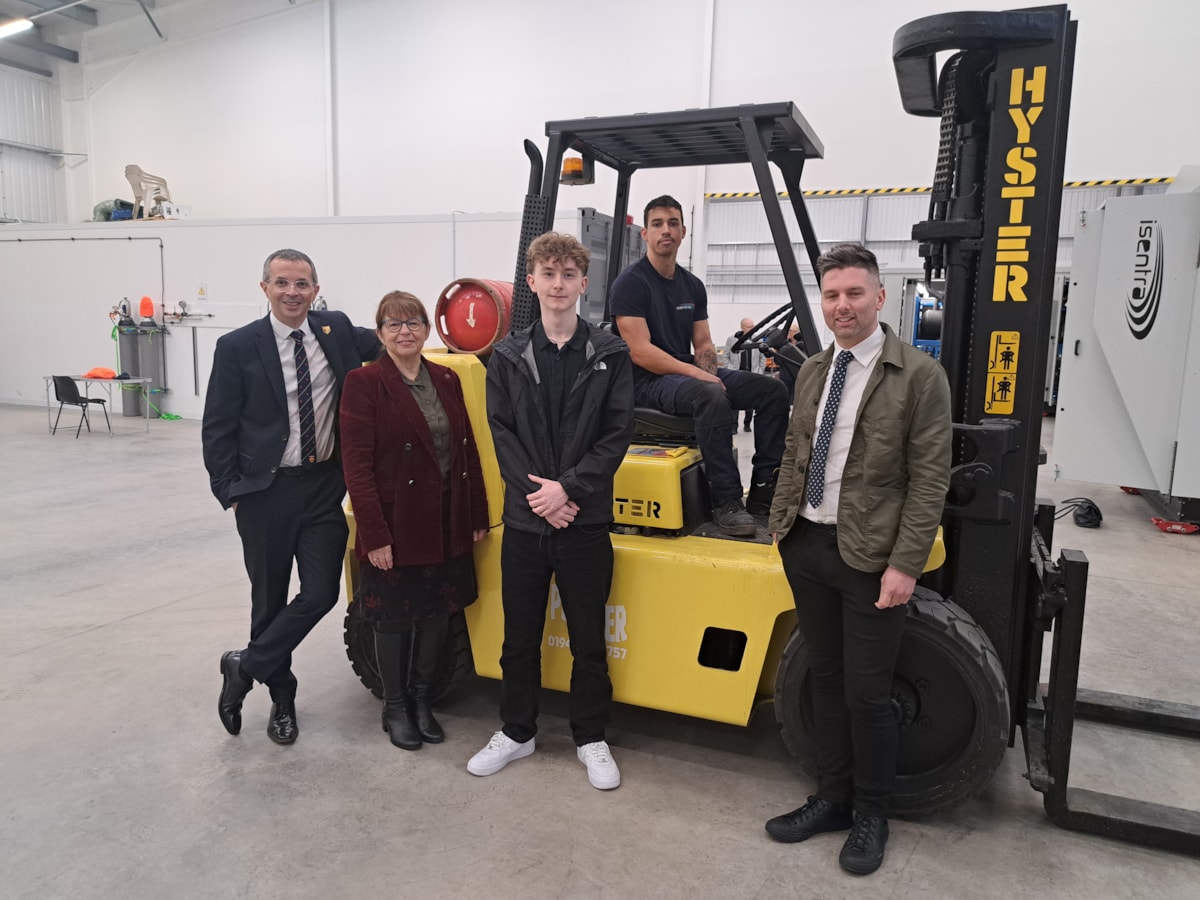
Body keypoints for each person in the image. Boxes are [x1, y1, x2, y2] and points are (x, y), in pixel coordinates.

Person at [765, 243, 952, 875]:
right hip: (809, 543)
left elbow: (930, 480)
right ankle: (832, 798)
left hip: (871, 557)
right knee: (824, 680)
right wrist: (780, 528)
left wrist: (907, 563)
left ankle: (872, 813)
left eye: (853, 294)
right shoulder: (814, 370)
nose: (842, 306)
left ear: (878, 296)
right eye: (832, 295)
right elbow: (796, 452)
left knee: (868, 694)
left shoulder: (918, 376)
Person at [468, 232, 634, 790]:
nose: (558, 283)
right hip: (525, 522)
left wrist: (569, 492)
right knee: (520, 637)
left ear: (583, 284)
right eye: (549, 273)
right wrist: (542, 498)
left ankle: (590, 737)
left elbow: (616, 436)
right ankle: (517, 732)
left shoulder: (609, 354)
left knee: (589, 639)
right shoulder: (510, 356)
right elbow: (502, 432)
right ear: (532, 282)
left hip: (583, 523)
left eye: (569, 274)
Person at [203, 248, 380, 745]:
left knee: (321, 592)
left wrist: (474, 339)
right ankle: (282, 699)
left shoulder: (336, 329)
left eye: (302, 284)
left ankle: (244, 666)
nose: (292, 292)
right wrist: (230, 490)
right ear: (265, 289)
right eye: (282, 283)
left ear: (316, 290)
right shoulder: (238, 346)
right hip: (266, 492)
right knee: (269, 600)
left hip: (324, 485)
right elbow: (218, 426)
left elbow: (392, 338)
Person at [339, 292, 489, 750]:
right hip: (397, 519)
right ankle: (396, 705)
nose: (405, 331)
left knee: (437, 614)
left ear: (427, 329)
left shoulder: (446, 377)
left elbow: (467, 450)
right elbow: (357, 466)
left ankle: (423, 700)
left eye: (413, 322)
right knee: (394, 620)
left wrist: (476, 513)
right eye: (393, 324)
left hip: (445, 515)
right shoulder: (364, 383)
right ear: (380, 333)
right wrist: (375, 535)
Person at [610, 195, 790, 537]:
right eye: (658, 224)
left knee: (772, 390)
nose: (666, 230)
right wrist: (702, 379)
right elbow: (640, 352)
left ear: (683, 231)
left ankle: (765, 490)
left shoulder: (692, 285)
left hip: (683, 376)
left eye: (673, 223)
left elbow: (704, 344)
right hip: (646, 382)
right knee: (709, 395)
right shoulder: (631, 283)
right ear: (645, 234)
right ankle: (726, 501)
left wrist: (709, 373)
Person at [724, 316, 765, 431]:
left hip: (752, 374)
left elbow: (762, 358)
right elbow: (726, 355)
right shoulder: (732, 339)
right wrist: (728, 369)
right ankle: (733, 426)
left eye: (753, 326)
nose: (753, 328)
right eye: (750, 326)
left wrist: (760, 372)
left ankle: (747, 424)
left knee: (751, 400)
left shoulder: (758, 339)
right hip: (736, 374)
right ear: (742, 327)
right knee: (734, 400)